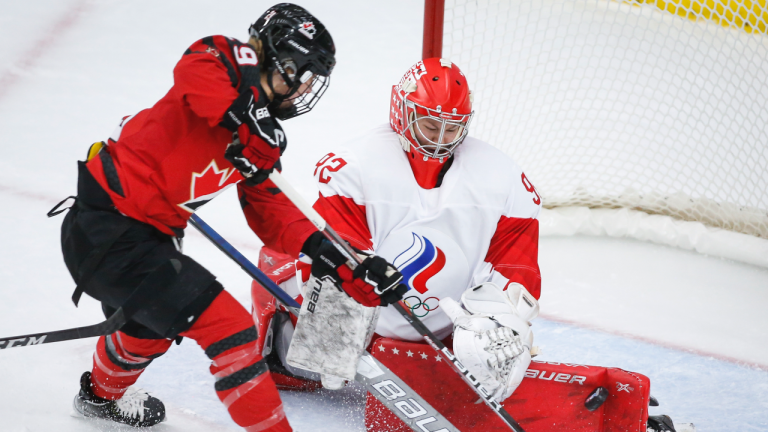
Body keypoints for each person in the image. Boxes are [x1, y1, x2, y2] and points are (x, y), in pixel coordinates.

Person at [255, 58, 689, 432]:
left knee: (482, 364)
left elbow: (515, 265)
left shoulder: (499, 176)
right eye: (429, 123)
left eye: (452, 127)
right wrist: (342, 325)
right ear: (402, 111)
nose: (440, 138)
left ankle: (613, 410)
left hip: (438, 330)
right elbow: (332, 256)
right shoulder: (356, 166)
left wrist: (501, 321)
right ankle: (296, 341)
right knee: (323, 350)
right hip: (359, 324)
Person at [51, 4, 406, 430]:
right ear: (279, 59)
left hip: (145, 242)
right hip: (107, 229)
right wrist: (244, 116)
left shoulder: (261, 138)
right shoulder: (229, 62)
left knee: (151, 325)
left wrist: (341, 261)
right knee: (229, 326)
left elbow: (272, 210)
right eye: (301, 72)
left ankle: (98, 398)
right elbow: (196, 69)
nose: (301, 90)